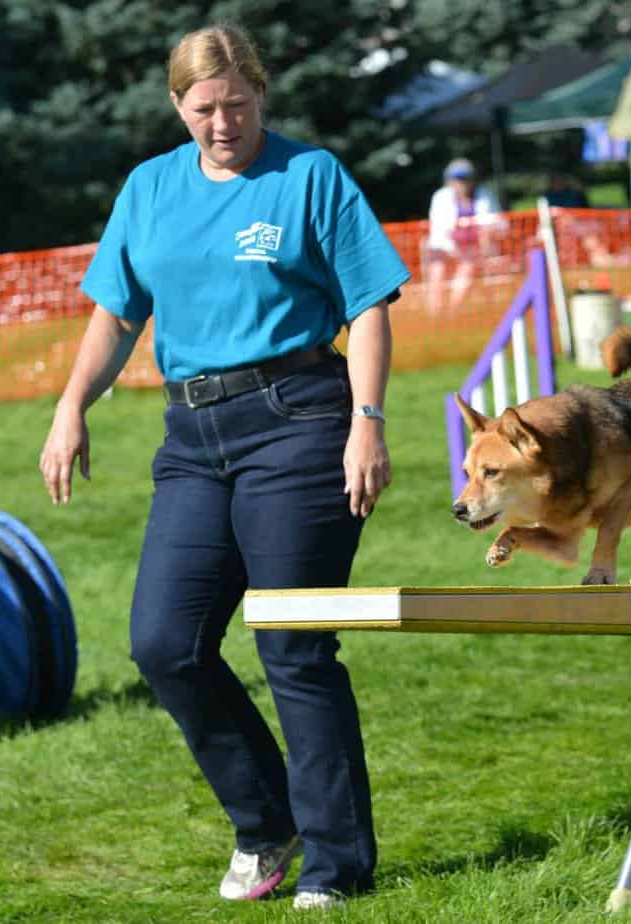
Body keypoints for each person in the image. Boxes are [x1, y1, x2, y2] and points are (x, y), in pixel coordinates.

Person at [38, 24, 409, 912]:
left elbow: (368, 307)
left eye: (237, 105)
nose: (221, 124)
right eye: (203, 109)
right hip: (193, 435)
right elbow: (114, 313)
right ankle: (265, 822)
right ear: (178, 107)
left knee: (292, 643)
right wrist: (69, 408)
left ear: (260, 96)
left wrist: (367, 423)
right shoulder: (149, 188)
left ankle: (335, 863)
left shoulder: (309, 176)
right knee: (164, 644)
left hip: (302, 422)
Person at [424, 158, 501, 314]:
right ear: (449, 180)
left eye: (465, 178)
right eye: (457, 179)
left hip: (475, 250)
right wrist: (455, 249)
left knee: (467, 266)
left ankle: (453, 311)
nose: (462, 183)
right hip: (447, 248)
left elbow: (496, 224)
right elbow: (439, 232)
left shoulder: (485, 195)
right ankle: (434, 312)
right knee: (437, 268)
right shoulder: (441, 197)